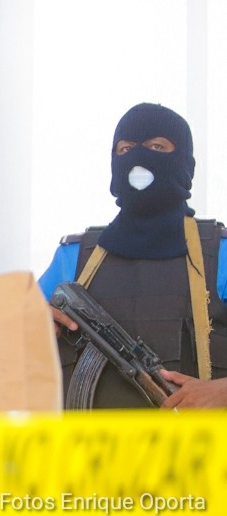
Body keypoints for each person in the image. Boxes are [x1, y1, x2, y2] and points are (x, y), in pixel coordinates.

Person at [39, 103, 227, 409]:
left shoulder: (219, 254)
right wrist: (30, 324)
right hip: (89, 440)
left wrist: (222, 392)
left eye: (157, 147)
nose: (138, 159)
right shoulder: (74, 257)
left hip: (195, 439)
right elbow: (8, 345)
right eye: (125, 149)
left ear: (185, 164)